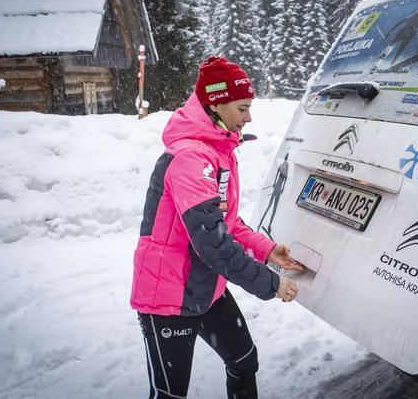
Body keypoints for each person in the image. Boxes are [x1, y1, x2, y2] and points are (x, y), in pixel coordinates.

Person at [130, 56, 304, 399]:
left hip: (205, 287)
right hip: (168, 298)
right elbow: (212, 243)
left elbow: (226, 222)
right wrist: (271, 284)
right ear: (216, 104)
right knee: (169, 395)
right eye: (243, 107)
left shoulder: (218, 151)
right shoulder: (191, 159)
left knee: (243, 361)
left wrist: (267, 249)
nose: (249, 117)